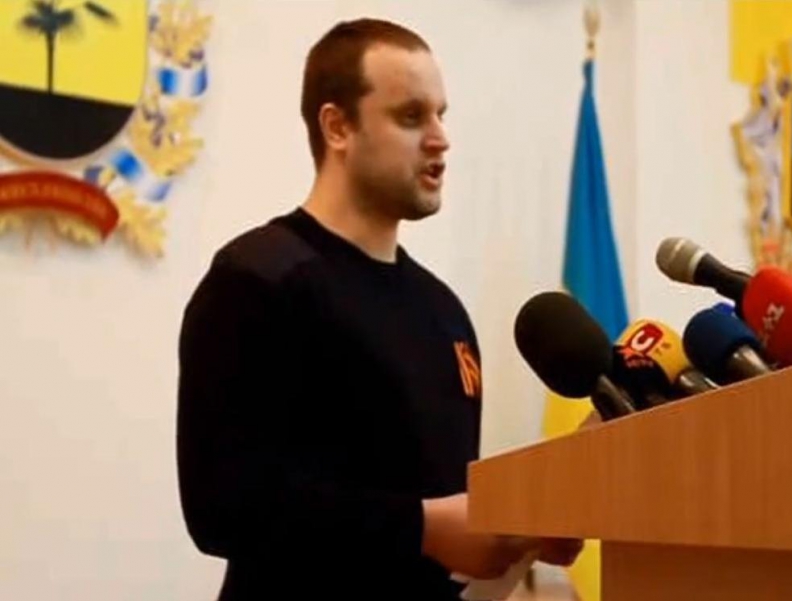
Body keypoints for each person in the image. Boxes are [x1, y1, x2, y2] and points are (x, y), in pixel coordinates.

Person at [176, 17, 583, 600]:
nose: (440, 138)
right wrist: (423, 529)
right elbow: (221, 506)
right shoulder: (258, 281)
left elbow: (441, 504)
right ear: (338, 127)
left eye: (441, 114)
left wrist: (515, 527)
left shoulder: (443, 311)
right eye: (412, 116)